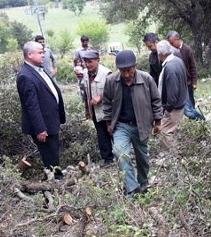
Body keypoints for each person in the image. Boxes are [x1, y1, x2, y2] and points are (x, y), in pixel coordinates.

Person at [102, 50, 163, 197]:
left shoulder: (146, 79)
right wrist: (109, 122)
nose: (126, 74)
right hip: (121, 125)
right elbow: (107, 103)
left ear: (135, 66)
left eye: (129, 70)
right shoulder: (112, 81)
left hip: (141, 124)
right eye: (123, 71)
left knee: (142, 156)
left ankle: (143, 182)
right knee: (119, 152)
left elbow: (156, 101)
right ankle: (132, 188)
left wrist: (158, 122)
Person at [17, 41, 66, 180]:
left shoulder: (39, 69)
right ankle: (56, 181)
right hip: (43, 125)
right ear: (30, 54)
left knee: (53, 152)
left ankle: (57, 177)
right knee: (49, 154)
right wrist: (40, 128)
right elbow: (31, 106)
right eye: (40, 52)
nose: (43, 55)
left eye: (43, 52)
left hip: (51, 120)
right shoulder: (25, 76)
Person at [79, 50, 114, 168]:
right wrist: (87, 109)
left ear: (98, 61)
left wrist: (101, 97)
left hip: (109, 110)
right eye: (86, 62)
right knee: (101, 135)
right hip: (95, 111)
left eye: (90, 62)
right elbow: (85, 93)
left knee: (114, 132)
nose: (88, 64)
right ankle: (108, 159)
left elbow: (115, 92)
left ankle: (124, 156)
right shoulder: (85, 73)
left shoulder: (107, 73)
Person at [154, 40, 188, 152]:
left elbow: (172, 92)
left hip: (174, 108)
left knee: (165, 132)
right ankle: (175, 155)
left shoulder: (170, 67)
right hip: (181, 103)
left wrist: (167, 109)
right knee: (172, 131)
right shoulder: (177, 60)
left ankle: (173, 158)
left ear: (161, 54)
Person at [166, 31, 205, 121]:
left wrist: (194, 82)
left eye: (172, 43)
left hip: (187, 82)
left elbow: (193, 67)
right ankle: (196, 121)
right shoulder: (172, 51)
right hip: (179, 82)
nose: (171, 45)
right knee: (187, 106)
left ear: (177, 39)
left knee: (190, 105)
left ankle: (201, 121)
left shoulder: (187, 49)